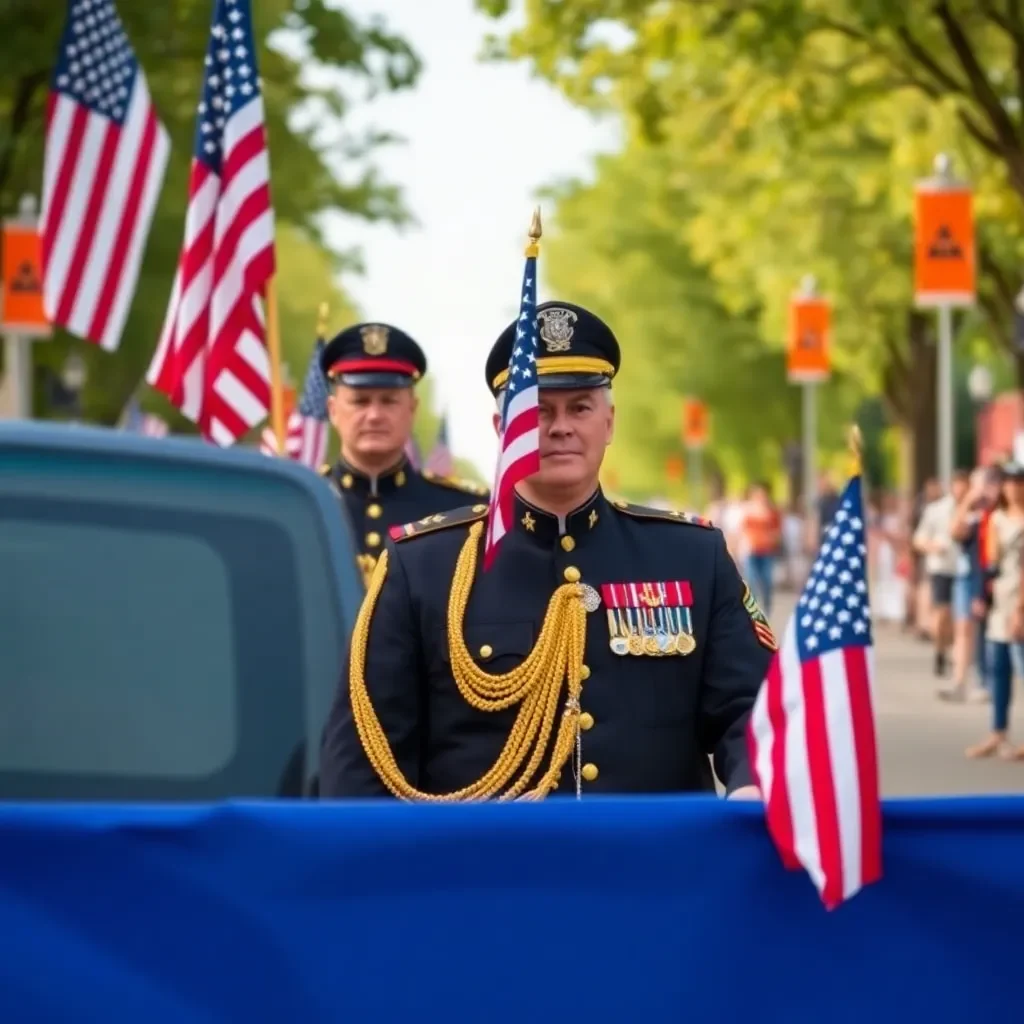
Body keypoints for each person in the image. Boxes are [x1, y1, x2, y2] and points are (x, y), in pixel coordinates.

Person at [320, 299, 775, 801]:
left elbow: (754, 707)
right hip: (491, 870)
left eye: (580, 407)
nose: (560, 427)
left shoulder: (691, 556)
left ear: (609, 422)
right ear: (501, 430)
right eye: (538, 410)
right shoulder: (423, 566)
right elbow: (365, 755)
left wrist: (752, 781)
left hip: (653, 868)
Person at [318, 321, 488, 586]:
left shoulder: (463, 512)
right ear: (333, 409)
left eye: (388, 401)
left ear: (412, 408)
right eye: (360, 401)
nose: (374, 415)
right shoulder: (305, 505)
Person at [966, 463, 1024, 759]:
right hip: (1001, 601)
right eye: (1009, 482)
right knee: (998, 671)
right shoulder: (997, 519)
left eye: (1018, 482)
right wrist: (982, 596)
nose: (1013, 488)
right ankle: (998, 732)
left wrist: (1020, 611)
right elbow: (990, 564)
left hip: (1020, 604)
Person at [913, 470, 970, 677]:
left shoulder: (974, 509)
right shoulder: (936, 510)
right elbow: (918, 539)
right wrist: (932, 546)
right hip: (942, 567)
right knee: (942, 613)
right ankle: (940, 649)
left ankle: (957, 654)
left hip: (965, 569)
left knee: (961, 616)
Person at [740, 482, 781, 616]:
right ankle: (754, 611)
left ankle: (767, 607)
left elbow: (777, 531)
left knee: (767, 581)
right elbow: (742, 530)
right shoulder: (747, 511)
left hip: (766, 551)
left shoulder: (772, 511)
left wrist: (771, 538)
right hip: (751, 551)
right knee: (751, 581)